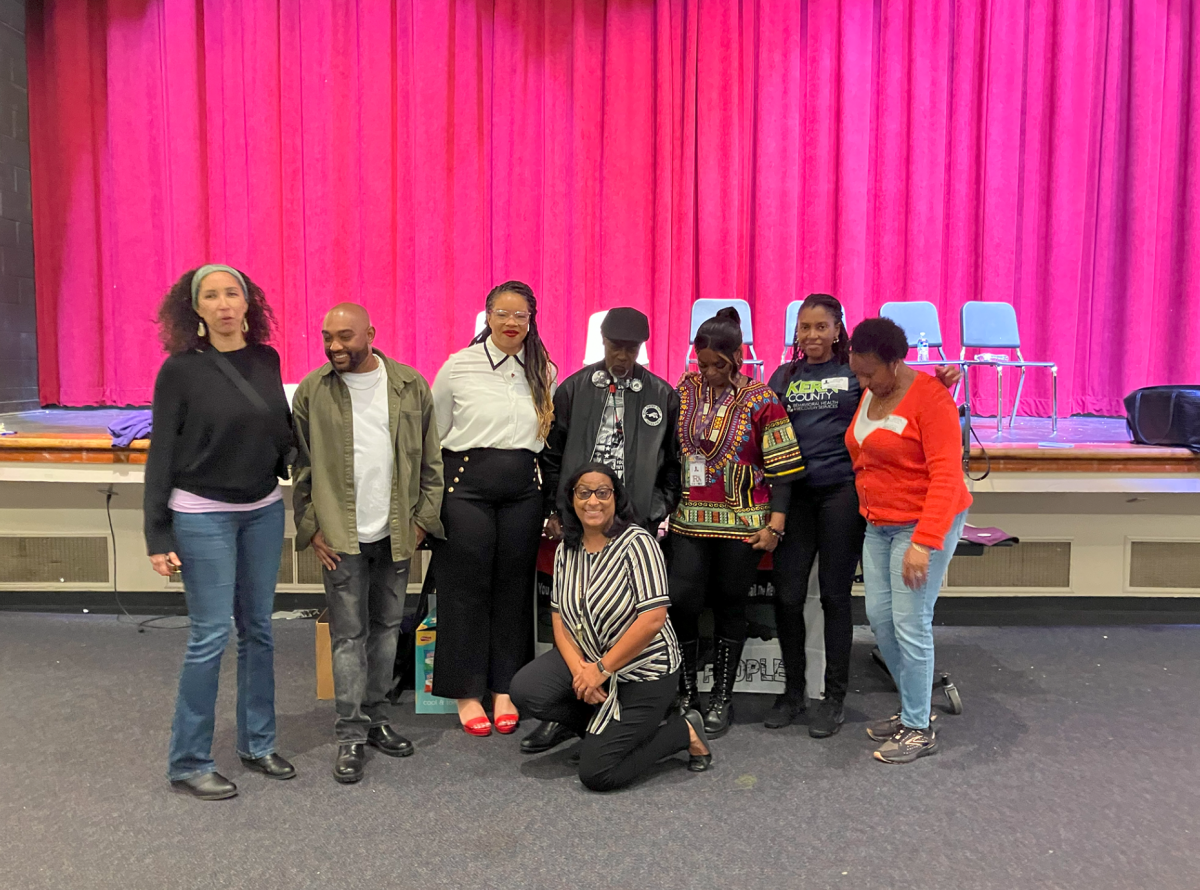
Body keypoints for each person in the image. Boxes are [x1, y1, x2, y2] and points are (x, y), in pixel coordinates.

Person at [766, 295, 963, 737]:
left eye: (822, 326)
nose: (812, 335)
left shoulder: (868, 378)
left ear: (840, 330)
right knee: (813, 602)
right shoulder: (797, 376)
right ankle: (797, 693)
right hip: (822, 503)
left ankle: (850, 703)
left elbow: (913, 417)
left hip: (861, 505)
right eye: (804, 327)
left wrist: (939, 389)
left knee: (866, 608)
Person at [144, 264, 296, 800]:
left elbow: (275, 425)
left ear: (248, 302)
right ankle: (188, 761)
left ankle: (258, 743)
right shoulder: (179, 371)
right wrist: (157, 535)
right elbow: (160, 453)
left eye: (232, 293)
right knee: (211, 636)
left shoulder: (266, 359)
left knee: (258, 629)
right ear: (196, 309)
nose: (225, 303)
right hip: (201, 513)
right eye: (212, 296)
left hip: (262, 509)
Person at [291, 303, 444, 783]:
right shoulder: (312, 392)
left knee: (385, 630)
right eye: (326, 337)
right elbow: (303, 467)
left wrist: (421, 522)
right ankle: (350, 733)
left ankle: (378, 719)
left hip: (396, 534)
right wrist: (312, 527)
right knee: (347, 636)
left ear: (371, 335)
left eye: (345, 337)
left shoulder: (409, 385)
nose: (335, 346)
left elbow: (431, 462)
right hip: (340, 536)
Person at [521, 307, 682, 755]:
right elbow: (551, 457)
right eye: (616, 347)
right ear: (603, 342)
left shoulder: (662, 396)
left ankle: (645, 710)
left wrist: (657, 508)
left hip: (634, 527)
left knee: (632, 615)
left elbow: (673, 466)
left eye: (631, 348)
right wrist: (556, 508)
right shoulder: (573, 389)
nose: (623, 355)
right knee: (574, 612)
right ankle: (570, 713)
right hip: (580, 518)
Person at [509, 463, 712, 791]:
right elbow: (559, 618)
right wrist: (581, 672)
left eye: (602, 492)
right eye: (583, 493)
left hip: (644, 671)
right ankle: (599, 732)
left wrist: (600, 670)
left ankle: (683, 731)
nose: (593, 501)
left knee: (597, 774)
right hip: (591, 660)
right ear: (571, 500)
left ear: (616, 498)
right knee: (526, 690)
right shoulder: (566, 549)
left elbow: (653, 619)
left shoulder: (637, 544)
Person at [668, 307, 805, 737]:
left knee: (731, 602)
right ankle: (686, 692)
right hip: (689, 519)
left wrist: (775, 525)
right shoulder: (685, 389)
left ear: (737, 358)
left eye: (717, 365)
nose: (708, 372)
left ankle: (721, 698)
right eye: (702, 362)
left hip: (745, 522)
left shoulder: (763, 399)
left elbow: (783, 468)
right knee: (683, 600)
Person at [429, 280, 557, 736]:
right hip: (466, 490)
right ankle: (467, 691)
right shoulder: (458, 366)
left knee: (513, 588)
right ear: (487, 317)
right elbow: (436, 432)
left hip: (524, 492)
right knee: (466, 588)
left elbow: (543, 439)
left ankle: (505, 687)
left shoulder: (544, 370)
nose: (510, 323)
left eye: (519, 315)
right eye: (501, 313)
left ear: (530, 320)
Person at [846, 317, 972, 764]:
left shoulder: (930, 397)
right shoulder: (872, 391)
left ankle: (919, 728)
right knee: (880, 618)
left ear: (895, 362)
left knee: (910, 621)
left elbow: (945, 476)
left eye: (869, 373)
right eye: (857, 372)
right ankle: (912, 709)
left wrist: (924, 540)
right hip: (878, 523)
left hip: (922, 523)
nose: (862, 381)